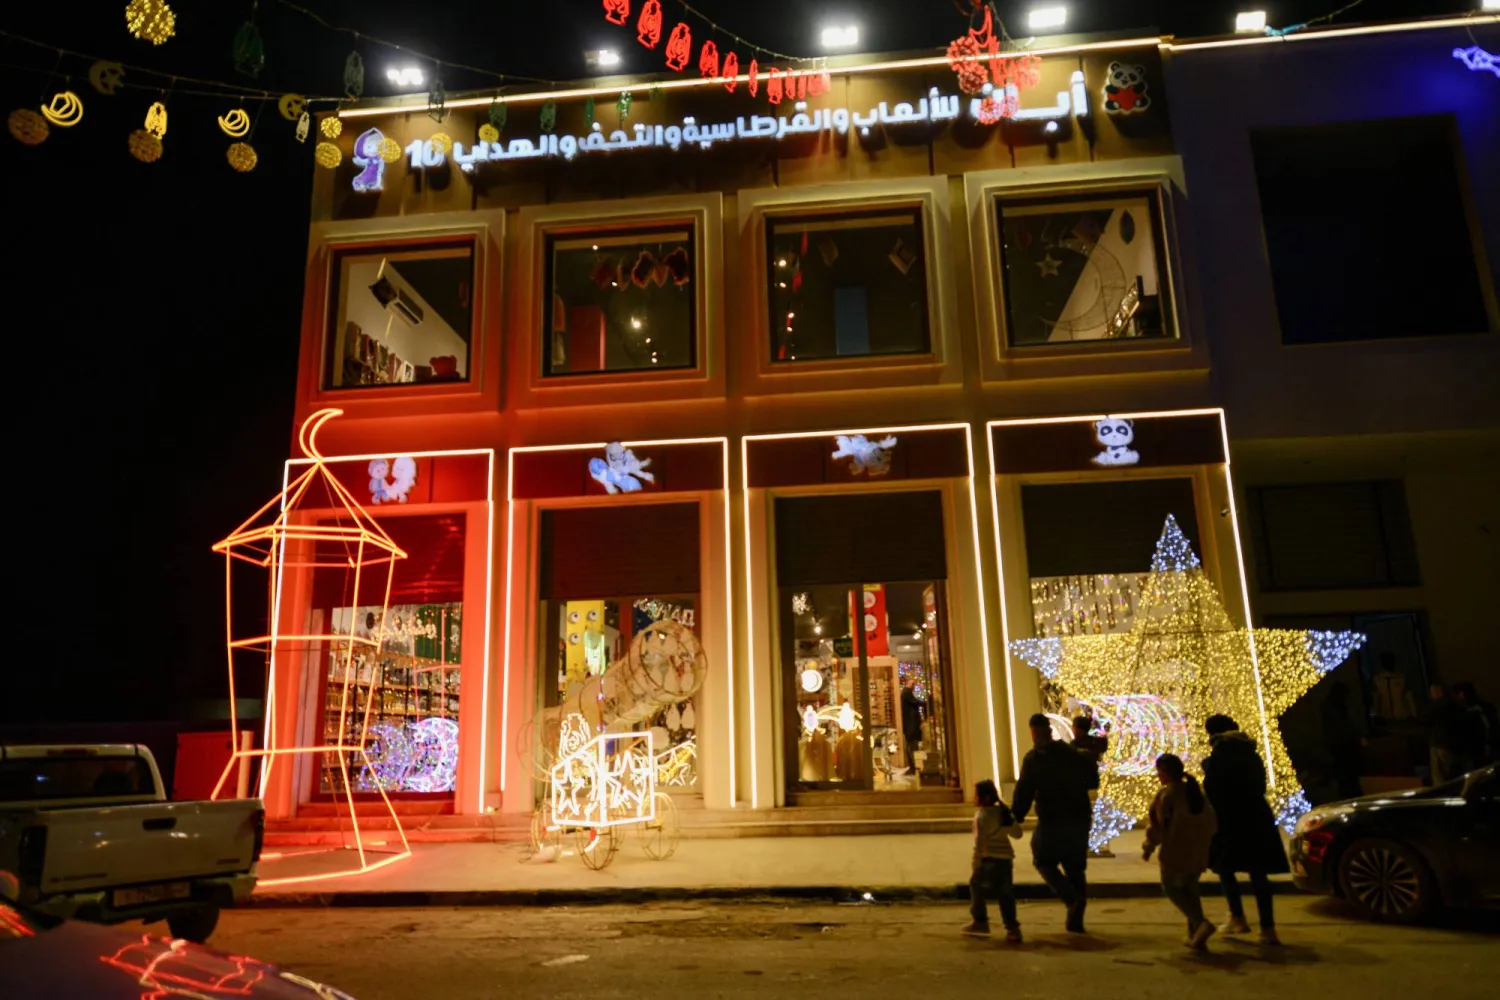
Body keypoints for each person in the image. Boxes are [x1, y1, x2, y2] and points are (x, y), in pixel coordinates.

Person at [1202, 715, 1289, 945]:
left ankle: (1237, 917)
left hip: (1229, 818)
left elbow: (1214, 788)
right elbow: (1259, 784)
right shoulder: (1251, 753)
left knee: (1225, 867)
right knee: (1258, 872)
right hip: (1256, 816)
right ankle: (1268, 928)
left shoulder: (1220, 754)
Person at [1012, 712, 1098, 933]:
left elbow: (1025, 790)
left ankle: (1071, 899)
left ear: (1036, 733)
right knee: (1075, 867)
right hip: (1078, 817)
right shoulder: (1071, 753)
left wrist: (1016, 816)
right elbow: (1091, 781)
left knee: (1043, 859)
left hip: (1053, 818)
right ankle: (1077, 915)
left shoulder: (1035, 759)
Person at [1143, 753, 1218, 950]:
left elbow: (1157, 826)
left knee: (1171, 887)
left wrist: (1149, 847)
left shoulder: (1166, 795)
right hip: (1199, 848)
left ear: (1164, 772)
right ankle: (1195, 935)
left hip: (1176, 848)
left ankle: (1200, 922)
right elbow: (1212, 821)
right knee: (1190, 889)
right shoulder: (1195, 791)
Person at [963, 779, 1024, 942]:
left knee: (976, 886)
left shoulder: (982, 816)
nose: (974, 798)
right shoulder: (1003, 813)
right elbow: (1018, 834)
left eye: (976, 795)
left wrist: (975, 864)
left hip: (989, 859)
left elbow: (979, 843)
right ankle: (1013, 929)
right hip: (1006, 860)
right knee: (1005, 894)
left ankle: (980, 921)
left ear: (984, 798)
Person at [1321, 682, 1365, 801]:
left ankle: (1348, 793)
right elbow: (1343, 726)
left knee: (1344, 773)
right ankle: (1350, 794)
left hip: (1338, 744)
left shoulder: (1332, 706)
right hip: (1342, 744)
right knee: (1347, 772)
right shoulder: (1335, 708)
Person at [1425, 684, 1470, 784]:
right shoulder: (1458, 707)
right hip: (1455, 747)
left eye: (1432, 693)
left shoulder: (1436, 707)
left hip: (1440, 745)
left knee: (1440, 779)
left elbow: (1425, 721)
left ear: (1437, 693)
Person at [1453, 682, 1496, 767]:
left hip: (1479, 750)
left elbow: (1487, 728)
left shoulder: (1476, 711)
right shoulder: (1467, 711)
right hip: (1475, 750)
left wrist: (1488, 744)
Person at [900, 676, 924, 770]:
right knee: (912, 745)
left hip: (910, 724)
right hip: (911, 725)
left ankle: (913, 766)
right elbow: (915, 702)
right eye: (912, 684)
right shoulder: (907, 693)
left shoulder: (906, 693)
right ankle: (914, 767)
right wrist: (925, 703)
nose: (913, 686)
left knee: (911, 744)